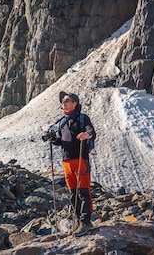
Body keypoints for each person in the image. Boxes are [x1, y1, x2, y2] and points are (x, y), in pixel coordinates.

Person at [49, 91, 96, 236]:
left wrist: (86, 135)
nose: (64, 102)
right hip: (67, 161)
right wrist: (51, 138)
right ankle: (78, 221)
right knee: (73, 193)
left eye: (67, 100)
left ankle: (86, 222)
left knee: (83, 192)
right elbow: (60, 141)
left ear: (75, 103)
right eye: (63, 100)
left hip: (81, 159)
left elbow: (91, 131)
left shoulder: (82, 118)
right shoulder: (62, 121)